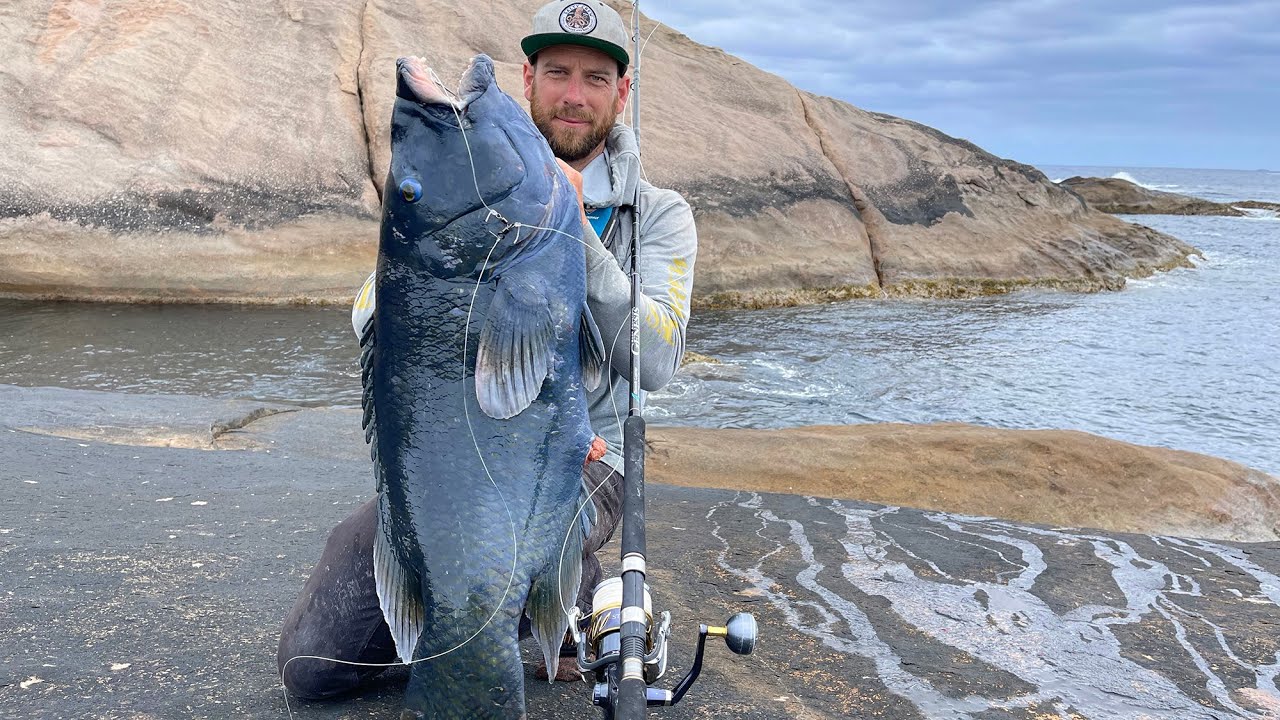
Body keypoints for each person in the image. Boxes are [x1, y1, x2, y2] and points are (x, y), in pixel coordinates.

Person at [276, 0, 699, 698]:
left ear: (622, 94)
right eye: (557, 72)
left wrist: (570, 232)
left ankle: (555, 589)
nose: (573, 94)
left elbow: (655, 358)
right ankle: (513, 614)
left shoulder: (659, 215)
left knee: (489, 593)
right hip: (451, 462)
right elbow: (369, 321)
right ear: (527, 77)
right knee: (313, 668)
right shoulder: (472, 180)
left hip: (583, 461)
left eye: (596, 78)